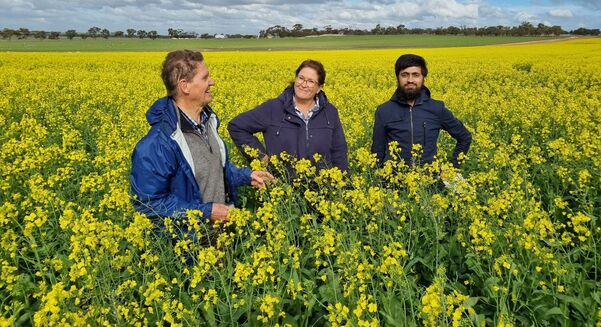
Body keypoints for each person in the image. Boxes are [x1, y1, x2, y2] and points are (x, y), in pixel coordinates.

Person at [130, 50, 273, 223]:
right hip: (188, 241)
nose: (212, 82)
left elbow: (215, 170)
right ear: (185, 86)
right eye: (205, 78)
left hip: (222, 234)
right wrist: (206, 212)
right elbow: (150, 204)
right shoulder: (158, 143)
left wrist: (246, 176)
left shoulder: (208, 122)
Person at [227, 60, 348, 172]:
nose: (304, 84)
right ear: (295, 79)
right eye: (301, 78)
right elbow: (237, 126)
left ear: (319, 88)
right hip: (283, 185)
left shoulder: (330, 112)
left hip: (323, 187)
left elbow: (339, 151)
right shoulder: (273, 108)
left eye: (311, 81)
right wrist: (261, 157)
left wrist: (342, 186)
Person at [371, 54, 471, 168]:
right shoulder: (384, 111)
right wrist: (378, 179)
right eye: (404, 75)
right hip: (394, 182)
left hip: (429, 183)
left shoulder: (437, 108)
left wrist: (453, 167)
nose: (410, 80)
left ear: (423, 78)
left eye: (415, 75)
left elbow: (464, 137)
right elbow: (377, 152)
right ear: (397, 77)